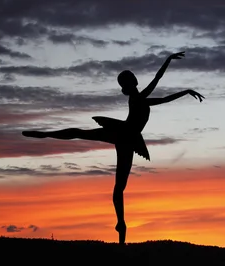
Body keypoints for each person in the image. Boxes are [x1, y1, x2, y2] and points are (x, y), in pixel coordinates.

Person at [22, 51, 205, 245]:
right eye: (130, 78)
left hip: (128, 138)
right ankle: (44, 134)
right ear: (129, 84)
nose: (134, 79)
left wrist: (184, 89)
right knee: (83, 135)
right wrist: (170, 64)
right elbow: (157, 80)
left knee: (119, 185)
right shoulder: (138, 99)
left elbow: (163, 96)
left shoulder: (142, 99)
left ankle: (121, 225)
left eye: (131, 76)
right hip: (123, 134)